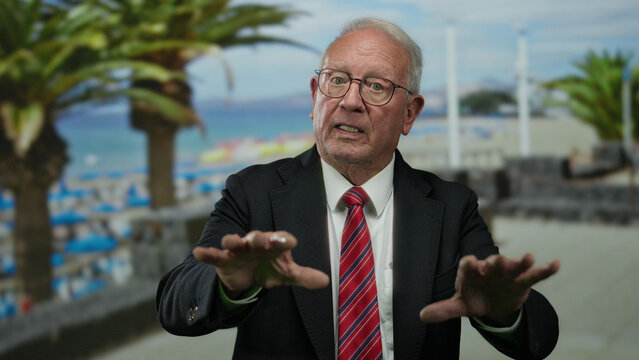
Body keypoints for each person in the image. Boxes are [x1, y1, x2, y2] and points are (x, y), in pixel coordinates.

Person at [157, 17, 560, 360]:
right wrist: (228, 287)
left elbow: (538, 337)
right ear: (315, 97)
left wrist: (507, 312)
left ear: (410, 113)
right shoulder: (254, 192)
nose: (350, 101)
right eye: (336, 81)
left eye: (376, 87)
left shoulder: (452, 207)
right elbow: (175, 306)